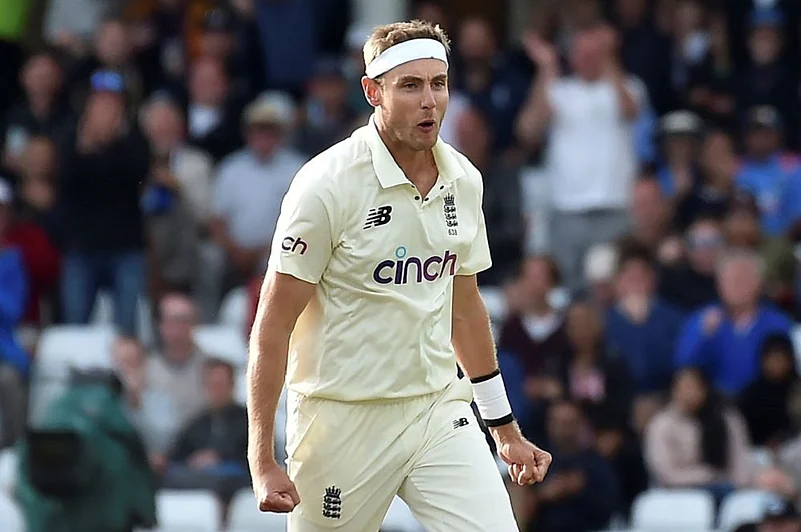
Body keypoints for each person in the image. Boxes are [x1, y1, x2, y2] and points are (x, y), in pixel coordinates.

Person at [247, 20, 551, 532]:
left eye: (438, 84)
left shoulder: (464, 179)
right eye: (410, 86)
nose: (429, 101)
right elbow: (272, 326)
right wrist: (261, 457)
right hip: (341, 420)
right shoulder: (325, 184)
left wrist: (503, 428)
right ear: (373, 92)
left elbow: (464, 310)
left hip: (436, 410)